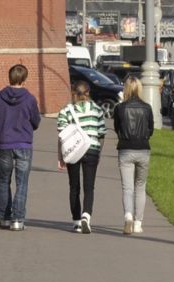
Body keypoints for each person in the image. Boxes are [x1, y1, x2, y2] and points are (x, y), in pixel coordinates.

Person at [0, 62, 41, 229]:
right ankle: (18, 219)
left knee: (3, 181)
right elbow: (36, 121)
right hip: (23, 143)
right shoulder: (30, 99)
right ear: (24, 79)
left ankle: (4, 217)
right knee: (22, 182)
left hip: (4, 143)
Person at [56, 76, 108, 232]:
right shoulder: (97, 110)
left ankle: (77, 220)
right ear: (88, 92)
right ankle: (87, 215)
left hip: (74, 152)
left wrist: (60, 156)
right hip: (92, 149)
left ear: (73, 93)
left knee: (74, 187)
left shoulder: (66, 111)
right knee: (89, 187)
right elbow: (101, 134)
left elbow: (62, 136)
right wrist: (98, 153)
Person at [113, 74, 155, 234]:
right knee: (140, 186)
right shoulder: (147, 108)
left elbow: (117, 128)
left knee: (127, 188)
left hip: (125, 149)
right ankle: (138, 223)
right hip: (143, 149)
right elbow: (150, 129)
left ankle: (128, 217)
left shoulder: (120, 108)